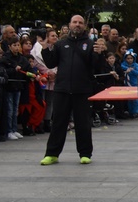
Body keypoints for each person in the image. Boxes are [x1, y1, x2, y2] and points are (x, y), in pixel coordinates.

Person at [39, 14, 106, 165]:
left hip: (82, 90)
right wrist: (45, 49)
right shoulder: (61, 44)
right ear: (69, 25)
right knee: (58, 123)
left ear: (84, 26)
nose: (77, 25)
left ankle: (85, 153)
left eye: (80, 23)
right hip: (62, 89)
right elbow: (51, 63)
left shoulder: (90, 44)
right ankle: (52, 154)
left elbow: (97, 66)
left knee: (83, 123)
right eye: (74, 22)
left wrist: (99, 54)